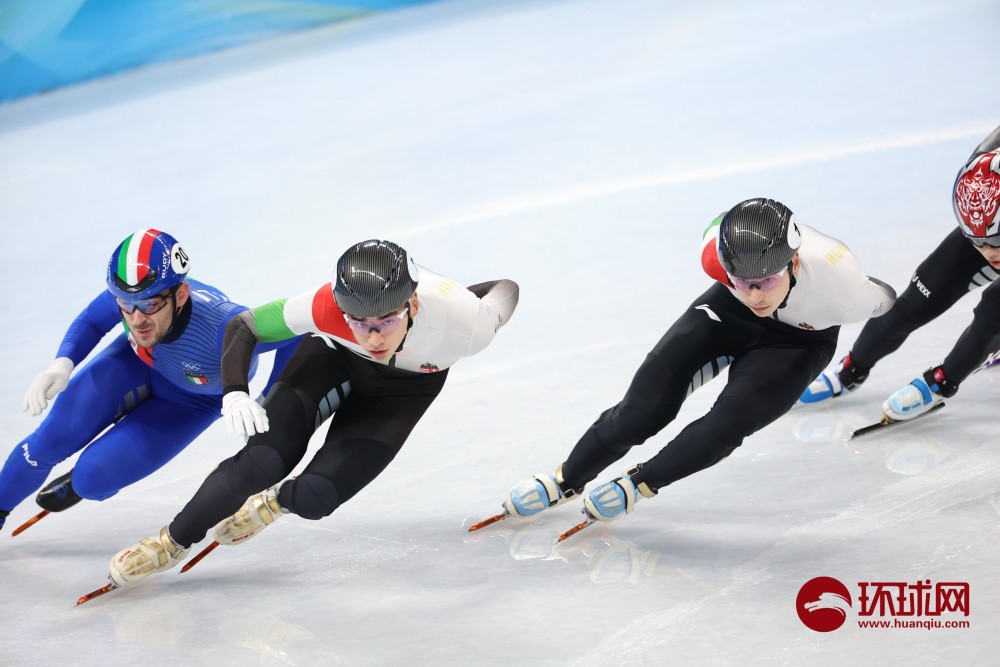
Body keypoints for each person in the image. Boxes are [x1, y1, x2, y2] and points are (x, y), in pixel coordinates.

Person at [106, 239, 519, 587]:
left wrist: (456, 297)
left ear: (412, 302)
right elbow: (244, 326)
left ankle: (274, 504)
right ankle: (170, 542)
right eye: (358, 321)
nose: (374, 337)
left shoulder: (467, 323)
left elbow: (506, 289)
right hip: (332, 358)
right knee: (262, 461)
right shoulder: (325, 306)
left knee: (316, 497)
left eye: (386, 321)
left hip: (402, 392)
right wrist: (235, 393)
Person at [493, 198, 895, 529]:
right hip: (727, 314)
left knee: (730, 422)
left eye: (767, 281)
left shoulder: (845, 288)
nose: (756, 296)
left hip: (799, 342)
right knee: (641, 412)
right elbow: (726, 236)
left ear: (793, 263)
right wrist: (742, 286)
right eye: (743, 281)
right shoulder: (715, 257)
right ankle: (566, 479)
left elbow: (889, 300)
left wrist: (856, 366)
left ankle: (639, 484)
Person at [0, 229, 298, 534]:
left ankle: (80, 481)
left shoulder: (225, 324)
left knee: (91, 480)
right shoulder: (133, 296)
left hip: (192, 402)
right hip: (132, 364)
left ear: (180, 295)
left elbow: (297, 330)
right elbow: (92, 319)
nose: (136, 319)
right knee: (46, 443)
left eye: (150, 305)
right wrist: (62, 364)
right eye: (125, 305)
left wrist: (270, 398)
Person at [799, 126, 1000, 420]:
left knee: (993, 312)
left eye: (995, 242)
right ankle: (851, 370)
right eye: (977, 241)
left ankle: (941, 383)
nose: (989, 253)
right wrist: (983, 238)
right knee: (915, 302)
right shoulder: (982, 166)